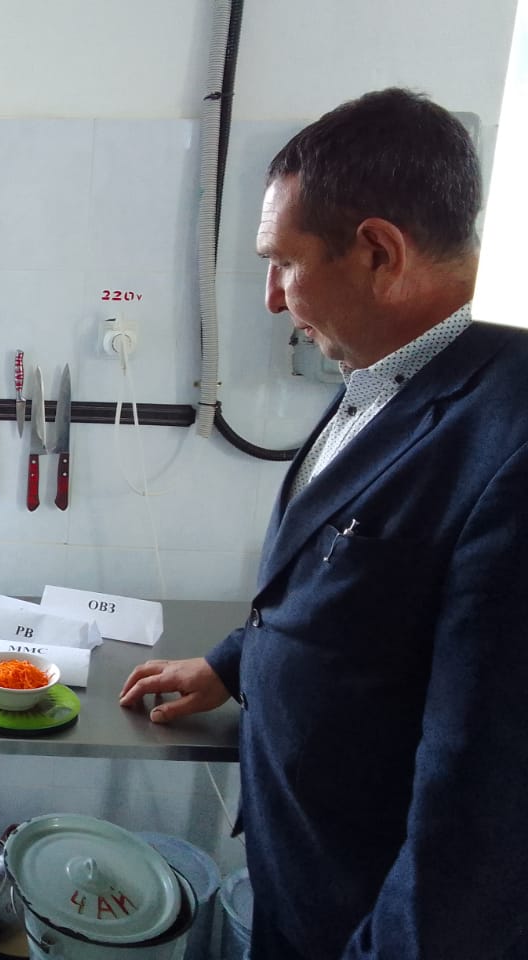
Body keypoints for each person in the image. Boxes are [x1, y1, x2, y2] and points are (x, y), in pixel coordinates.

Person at [119, 88, 528, 959]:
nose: (272, 299)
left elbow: (488, 801)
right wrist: (231, 664)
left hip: (371, 916)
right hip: (300, 876)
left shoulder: (508, 442)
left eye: (284, 263)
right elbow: (356, 589)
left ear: (379, 252)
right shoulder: (381, 378)